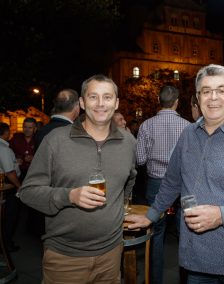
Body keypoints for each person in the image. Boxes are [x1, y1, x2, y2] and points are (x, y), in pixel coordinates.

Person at [126, 64, 224, 283]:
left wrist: (222, 215)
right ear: (198, 98)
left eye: (221, 90)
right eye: (206, 91)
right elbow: (172, 181)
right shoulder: (188, 134)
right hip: (195, 258)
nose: (213, 97)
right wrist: (151, 215)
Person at [19, 74, 137, 284]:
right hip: (65, 258)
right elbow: (27, 191)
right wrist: (69, 196)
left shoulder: (128, 141)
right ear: (82, 103)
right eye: (93, 97)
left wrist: (120, 209)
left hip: (111, 255)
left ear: (116, 103)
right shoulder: (56, 140)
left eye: (107, 97)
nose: (101, 104)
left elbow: (130, 180)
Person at [136, 85, 190, 284]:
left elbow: (140, 159)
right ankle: (186, 279)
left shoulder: (146, 125)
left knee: (156, 232)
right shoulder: (187, 126)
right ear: (177, 102)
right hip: (182, 183)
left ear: (159, 101)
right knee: (185, 231)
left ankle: (154, 279)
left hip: (156, 183)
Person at [32, 88, 80, 236]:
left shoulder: (42, 131)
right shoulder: (72, 131)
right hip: (67, 194)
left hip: (45, 192)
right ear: (77, 107)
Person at [0, 122, 22, 252]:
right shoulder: (4, 149)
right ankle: (6, 245)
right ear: (6, 133)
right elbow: (9, 172)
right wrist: (19, 186)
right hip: (7, 186)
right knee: (9, 217)